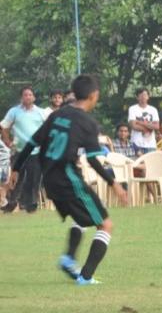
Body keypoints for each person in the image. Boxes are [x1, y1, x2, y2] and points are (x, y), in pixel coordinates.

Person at [5, 74, 127, 285]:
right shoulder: (88, 123)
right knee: (105, 225)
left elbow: (32, 142)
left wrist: (15, 168)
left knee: (81, 216)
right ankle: (85, 277)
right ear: (93, 95)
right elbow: (93, 160)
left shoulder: (57, 114)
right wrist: (113, 183)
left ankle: (69, 259)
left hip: (49, 179)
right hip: (68, 177)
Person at [1, 85, 47, 213]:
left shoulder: (41, 112)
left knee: (34, 178)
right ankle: (11, 203)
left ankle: (31, 204)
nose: (28, 97)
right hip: (19, 150)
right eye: (25, 95)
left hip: (36, 151)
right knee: (16, 178)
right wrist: (7, 141)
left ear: (34, 97)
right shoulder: (14, 111)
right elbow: (4, 127)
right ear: (21, 97)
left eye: (30, 95)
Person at [127, 87, 159, 155]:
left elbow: (156, 126)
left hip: (151, 145)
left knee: (151, 162)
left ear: (148, 97)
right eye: (141, 95)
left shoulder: (153, 109)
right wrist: (150, 127)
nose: (143, 97)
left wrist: (140, 122)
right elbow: (133, 126)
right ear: (137, 97)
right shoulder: (132, 109)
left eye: (145, 95)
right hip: (136, 144)